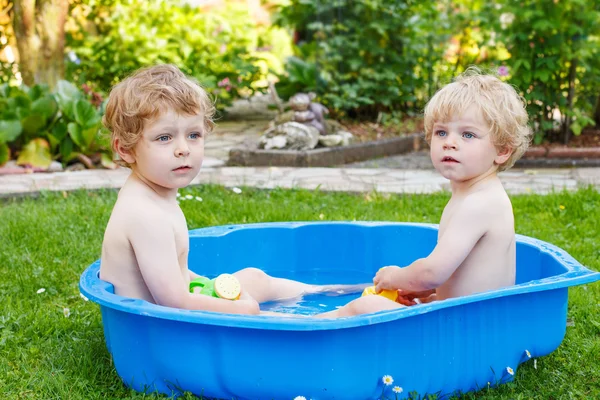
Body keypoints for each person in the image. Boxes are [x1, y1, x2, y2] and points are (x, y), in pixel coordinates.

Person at [99, 64, 366, 316]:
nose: (183, 148)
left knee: (254, 278)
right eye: (164, 138)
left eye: (193, 135)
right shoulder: (146, 215)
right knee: (279, 319)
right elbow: (174, 302)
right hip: (159, 332)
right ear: (125, 148)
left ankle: (323, 291)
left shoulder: (152, 196)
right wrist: (245, 310)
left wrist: (201, 282)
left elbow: (171, 272)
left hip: (170, 315)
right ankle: (339, 315)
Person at [316, 68, 532, 318]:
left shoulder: (480, 203)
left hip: (473, 328)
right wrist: (428, 296)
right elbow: (465, 281)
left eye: (468, 134)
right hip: (469, 318)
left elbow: (432, 272)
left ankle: (302, 330)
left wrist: (395, 277)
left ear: (503, 150)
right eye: (442, 132)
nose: (449, 142)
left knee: (366, 307)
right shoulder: (475, 195)